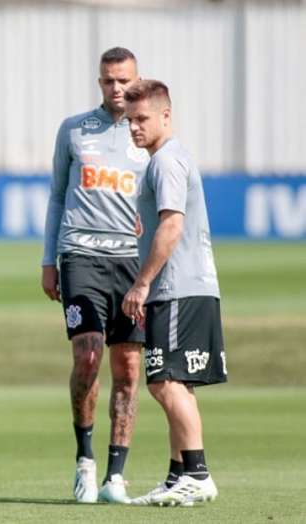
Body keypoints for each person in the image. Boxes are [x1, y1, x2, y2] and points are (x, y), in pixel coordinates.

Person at [41, 47, 149, 504]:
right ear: (99, 82)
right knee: (87, 357)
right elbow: (56, 196)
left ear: (137, 79)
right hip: (80, 255)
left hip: (132, 263)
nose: (116, 88)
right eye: (108, 80)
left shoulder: (149, 134)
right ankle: (84, 461)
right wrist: (49, 260)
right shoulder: (73, 130)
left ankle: (116, 475)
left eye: (123, 79)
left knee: (127, 368)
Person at [122, 79, 227, 506]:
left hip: (177, 287)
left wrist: (142, 283)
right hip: (193, 286)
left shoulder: (165, 161)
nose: (134, 128)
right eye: (130, 120)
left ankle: (198, 474)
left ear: (166, 115)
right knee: (177, 382)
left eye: (142, 119)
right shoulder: (168, 158)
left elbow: (172, 225)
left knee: (164, 382)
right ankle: (178, 474)